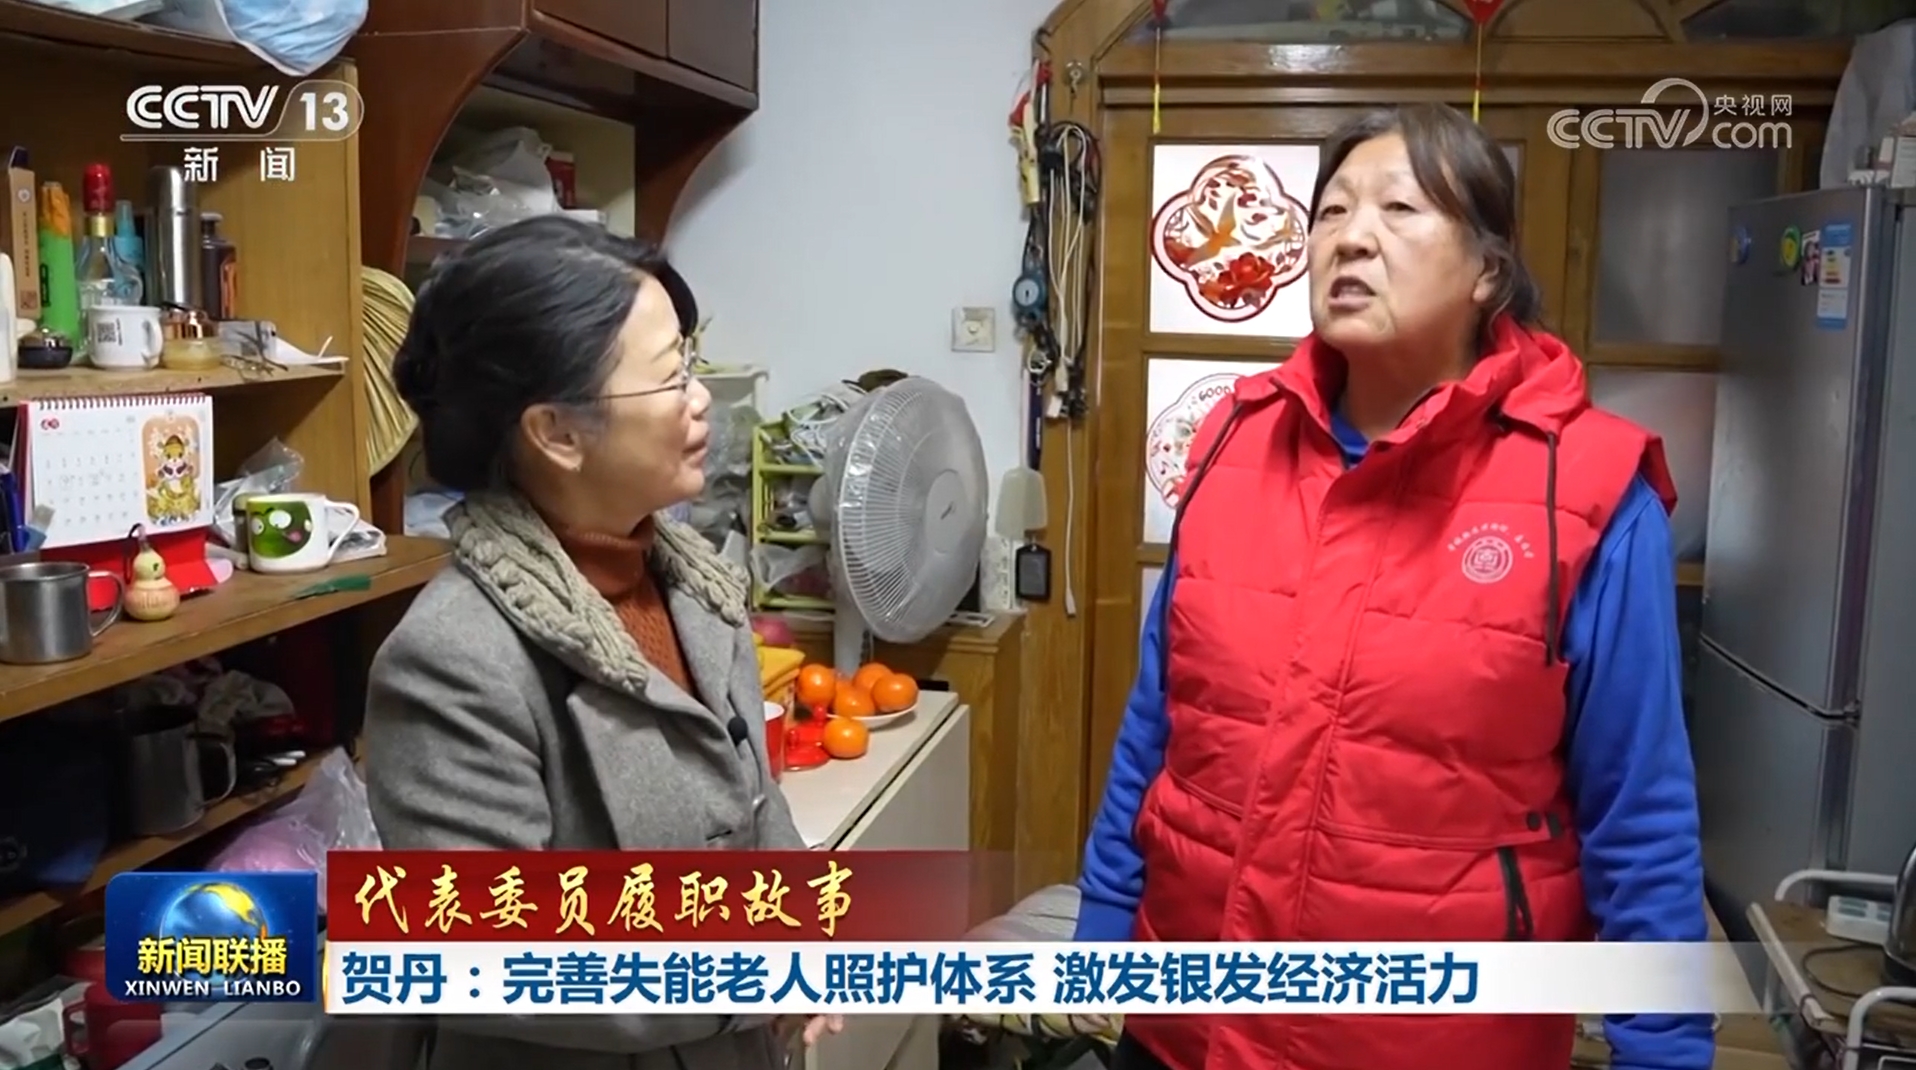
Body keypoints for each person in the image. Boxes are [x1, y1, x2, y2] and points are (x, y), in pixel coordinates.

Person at [1075, 103, 1711, 1070]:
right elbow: (1161, 721)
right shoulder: (1234, 440)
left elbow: (1641, 812)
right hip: (1184, 1029)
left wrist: (1661, 1050)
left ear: (1487, 271)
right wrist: (1104, 923)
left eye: (1399, 209)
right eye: (1331, 211)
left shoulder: (1586, 491)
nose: (1351, 237)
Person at [364, 216, 839, 1070]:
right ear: (557, 432)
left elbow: (756, 808)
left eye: (690, 363)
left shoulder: (696, 588)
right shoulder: (450, 659)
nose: (700, 397)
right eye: (669, 377)